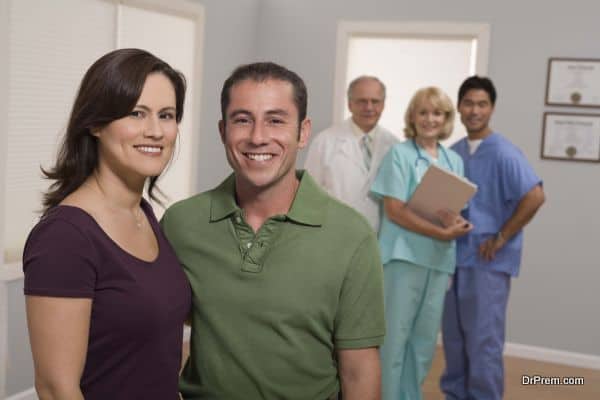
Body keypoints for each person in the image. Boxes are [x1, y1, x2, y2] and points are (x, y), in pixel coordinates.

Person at [161, 62, 385, 400]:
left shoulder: (351, 235)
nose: (258, 137)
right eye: (242, 119)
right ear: (223, 131)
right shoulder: (181, 225)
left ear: (303, 132)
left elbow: (359, 370)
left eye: (276, 120)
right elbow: (152, 333)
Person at [23, 48, 191, 400]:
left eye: (167, 115)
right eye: (136, 113)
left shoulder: (144, 215)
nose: (155, 131)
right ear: (96, 123)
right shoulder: (65, 238)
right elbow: (56, 390)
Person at [440, 76, 545, 400]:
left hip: (487, 262)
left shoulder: (503, 153)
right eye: (469, 103)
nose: (474, 110)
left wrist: (501, 237)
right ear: (458, 107)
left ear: (492, 108)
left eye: (482, 104)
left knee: (483, 342)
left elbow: (535, 196)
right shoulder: (454, 152)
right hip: (454, 258)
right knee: (455, 339)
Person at [371, 87, 473, 400]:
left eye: (438, 113)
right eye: (424, 112)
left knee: (424, 342)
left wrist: (457, 225)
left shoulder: (453, 160)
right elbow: (395, 210)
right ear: (413, 117)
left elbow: (449, 210)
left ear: (446, 119)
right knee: (395, 340)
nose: (430, 119)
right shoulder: (400, 155)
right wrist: (439, 233)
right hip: (404, 259)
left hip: (438, 260)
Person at [304, 76, 398, 232]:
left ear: (383, 105)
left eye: (375, 101)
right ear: (349, 104)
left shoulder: (394, 145)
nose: (369, 107)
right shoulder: (324, 142)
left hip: (378, 240)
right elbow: (308, 195)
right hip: (334, 234)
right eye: (362, 101)